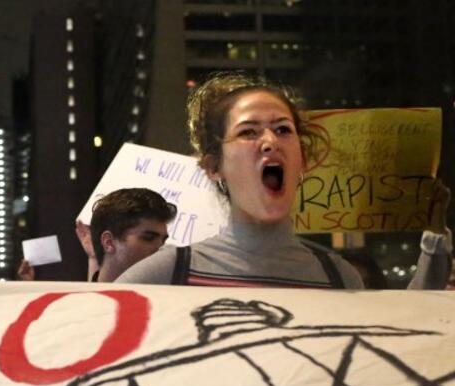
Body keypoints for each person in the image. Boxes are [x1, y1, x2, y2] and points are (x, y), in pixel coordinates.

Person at [118, 72, 450, 289]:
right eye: (248, 131)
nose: (269, 141)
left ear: (302, 162)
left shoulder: (338, 277)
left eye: (282, 129)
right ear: (212, 166)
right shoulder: (167, 275)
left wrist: (436, 243)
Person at [16, 188, 176, 283]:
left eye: (163, 240)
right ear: (108, 242)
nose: (162, 248)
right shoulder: (75, 307)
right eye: (148, 238)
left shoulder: (171, 301)